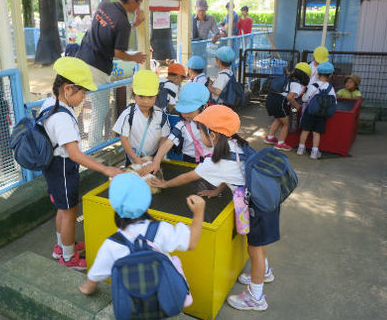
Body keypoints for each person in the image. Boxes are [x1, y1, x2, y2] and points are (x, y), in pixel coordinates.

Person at [150, 105, 279, 311]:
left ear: (212, 134)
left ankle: (256, 297)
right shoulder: (236, 143)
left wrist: (164, 184)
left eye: (200, 131)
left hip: (258, 207)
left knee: (255, 249)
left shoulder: (216, 161)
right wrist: (215, 190)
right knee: (258, 245)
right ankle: (263, 271)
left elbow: (188, 177)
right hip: (265, 200)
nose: (199, 135)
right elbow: (232, 173)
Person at [41, 57, 123, 269]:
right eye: (83, 93)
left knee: (62, 209)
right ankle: (68, 258)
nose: (84, 97)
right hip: (64, 168)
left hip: (53, 166)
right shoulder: (62, 118)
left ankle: (61, 246)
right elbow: (75, 154)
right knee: (70, 213)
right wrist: (106, 168)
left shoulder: (50, 104)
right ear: (68, 89)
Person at [79, 173, 206, 298]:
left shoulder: (112, 244)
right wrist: (199, 212)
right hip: (164, 296)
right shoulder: (161, 229)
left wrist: (87, 289)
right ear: (147, 201)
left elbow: (95, 275)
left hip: (132, 302)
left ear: (114, 205)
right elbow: (191, 243)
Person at [75, 0, 151, 147]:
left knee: (76, 104)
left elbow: (108, 32)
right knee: (100, 109)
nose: (139, 5)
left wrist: (133, 25)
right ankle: (94, 148)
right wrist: (135, 58)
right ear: (132, 1)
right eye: (139, 2)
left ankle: (70, 145)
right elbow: (118, 52)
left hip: (80, 59)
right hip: (97, 68)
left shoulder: (104, 5)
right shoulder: (122, 22)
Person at [141, 83, 212, 176]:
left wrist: (201, 124)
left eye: (190, 110)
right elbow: (168, 142)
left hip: (210, 160)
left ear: (204, 107)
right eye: (182, 110)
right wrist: (156, 161)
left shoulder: (212, 123)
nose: (185, 114)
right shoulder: (182, 125)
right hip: (189, 160)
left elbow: (209, 143)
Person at [112, 70, 171, 166]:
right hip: (133, 159)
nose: (146, 101)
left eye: (150, 97)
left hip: (154, 159)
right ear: (133, 92)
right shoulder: (128, 114)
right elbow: (123, 138)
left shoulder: (160, 115)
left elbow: (164, 137)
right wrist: (135, 159)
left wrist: (157, 159)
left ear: (157, 93)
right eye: (141, 96)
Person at [264, 62, 311, 151]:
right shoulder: (297, 84)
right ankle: (280, 144)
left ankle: (270, 137)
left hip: (270, 99)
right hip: (279, 102)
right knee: (287, 124)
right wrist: (297, 106)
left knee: (278, 118)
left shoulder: (287, 78)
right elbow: (290, 97)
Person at [297, 61, 337, 159]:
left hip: (309, 112)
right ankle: (314, 152)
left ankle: (300, 149)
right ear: (331, 75)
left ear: (318, 73)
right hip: (322, 114)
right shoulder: (331, 88)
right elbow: (334, 102)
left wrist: (303, 97)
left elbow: (306, 99)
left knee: (305, 130)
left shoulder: (313, 86)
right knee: (316, 133)